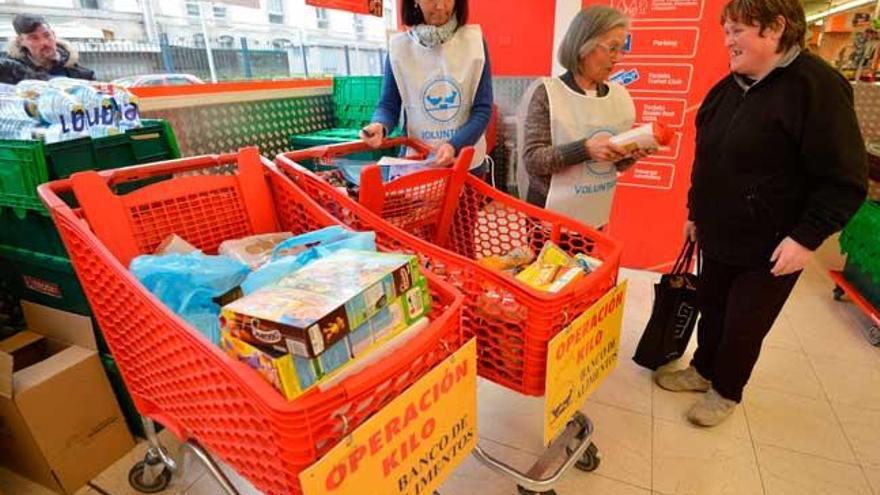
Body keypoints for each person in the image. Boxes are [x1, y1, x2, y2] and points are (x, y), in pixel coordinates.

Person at [655, 0, 867, 427]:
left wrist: (806, 238)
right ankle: (703, 370)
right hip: (719, 233)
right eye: (726, 30)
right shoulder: (729, 86)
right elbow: (707, 158)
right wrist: (696, 210)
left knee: (744, 323)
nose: (727, 41)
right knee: (712, 308)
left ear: (774, 29)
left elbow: (845, 179)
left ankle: (726, 391)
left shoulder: (817, 87)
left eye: (737, 30)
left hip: (775, 244)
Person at [519, 6, 649, 229]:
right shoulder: (547, 93)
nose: (617, 58)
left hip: (593, 213)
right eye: (612, 48)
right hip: (549, 218)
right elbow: (533, 160)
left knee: (588, 265)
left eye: (621, 49)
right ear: (584, 46)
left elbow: (613, 166)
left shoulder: (618, 98)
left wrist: (632, 153)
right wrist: (586, 149)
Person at [360, 0, 493, 177]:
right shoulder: (399, 48)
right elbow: (388, 105)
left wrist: (454, 145)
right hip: (417, 163)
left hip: (465, 165)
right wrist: (380, 125)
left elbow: (483, 109)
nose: (440, 6)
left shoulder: (474, 43)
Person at [0, 14, 95, 85]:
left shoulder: (82, 74)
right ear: (20, 41)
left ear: (53, 35)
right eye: (34, 38)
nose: (44, 42)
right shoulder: (9, 71)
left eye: (47, 35)